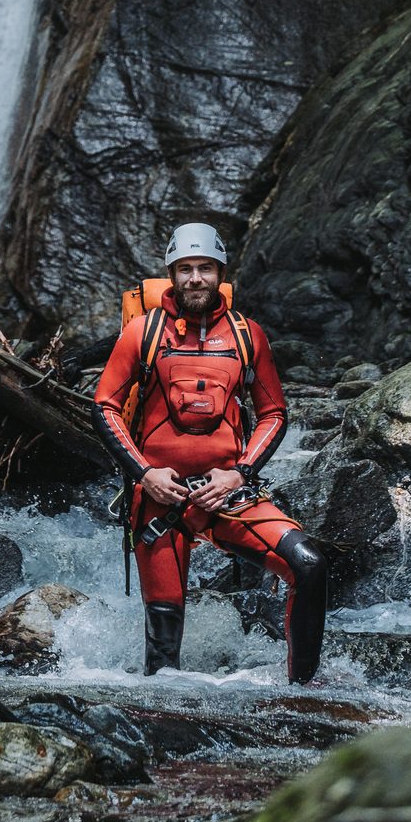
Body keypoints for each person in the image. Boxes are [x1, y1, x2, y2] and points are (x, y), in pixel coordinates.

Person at [92, 222, 326, 681]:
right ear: (172, 274)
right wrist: (145, 474)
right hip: (162, 502)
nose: (195, 278)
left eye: (204, 268)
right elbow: (105, 407)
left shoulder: (247, 336)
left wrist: (239, 473)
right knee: (163, 654)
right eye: (185, 269)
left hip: (228, 495)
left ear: (220, 272)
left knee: (310, 566)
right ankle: (164, 725)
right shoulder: (142, 332)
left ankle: (304, 699)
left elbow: (274, 413)